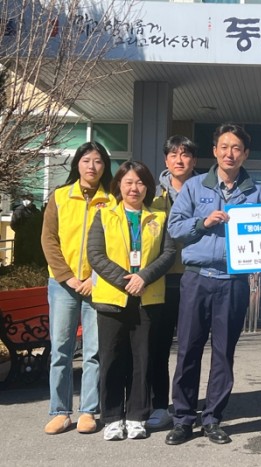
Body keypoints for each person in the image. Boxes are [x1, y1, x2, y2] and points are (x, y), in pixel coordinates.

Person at [166, 123, 261, 446]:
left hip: (233, 282)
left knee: (224, 353)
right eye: (224, 147)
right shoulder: (194, 187)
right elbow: (175, 228)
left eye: (236, 148)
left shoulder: (257, 193)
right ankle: (183, 419)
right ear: (214, 151)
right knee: (188, 350)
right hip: (197, 279)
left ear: (245, 154)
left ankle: (212, 418)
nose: (229, 153)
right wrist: (203, 222)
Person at [87, 160, 176, 441]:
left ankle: (138, 415)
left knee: (143, 359)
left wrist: (144, 277)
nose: (134, 188)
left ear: (148, 187)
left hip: (148, 298)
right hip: (112, 298)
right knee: (112, 358)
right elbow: (95, 254)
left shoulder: (159, 217)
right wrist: (126, 280)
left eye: (140, 183)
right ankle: (112, 417)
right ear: (119, 186)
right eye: (128, 182)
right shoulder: (104, 215)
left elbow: (168, 254)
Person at [41, 142, 114, 435]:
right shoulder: (60, 196)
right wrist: (67, 277)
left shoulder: (112, 200)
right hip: (63, 285)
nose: (92, 166)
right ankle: (60, 411)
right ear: (78, 164)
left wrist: (94, 279)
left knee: (94, 350)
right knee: (61, 349)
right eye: (86, 160)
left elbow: (115, 245)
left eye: (98, 161)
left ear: (105, 166)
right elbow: (49, 240)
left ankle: (88, 410)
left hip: (97, 285)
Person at [147, 135, 200, 430]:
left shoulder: (206, 190)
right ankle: (158, 404)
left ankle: (187, 405)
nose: (179, 160)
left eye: (185, 154)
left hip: (196, 276)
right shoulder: (152, 194)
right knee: (158, 345)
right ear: (166, 159)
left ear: (194, 160)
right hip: (161, 280)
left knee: (191, 347)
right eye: (174, 154)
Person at [11, 193, 44, 266]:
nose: (26, 201)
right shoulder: (19, 210)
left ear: (32, 200)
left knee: (32, 260)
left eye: (28, 199)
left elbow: (40, 224)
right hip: (21, 240)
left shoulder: (37, 212)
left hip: (33, 240)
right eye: (24, 199)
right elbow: (13, 224)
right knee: (20, 259)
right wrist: (22, 233)